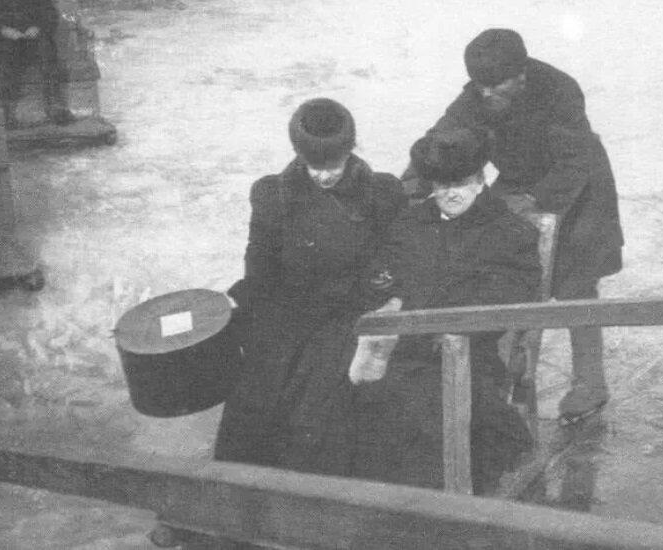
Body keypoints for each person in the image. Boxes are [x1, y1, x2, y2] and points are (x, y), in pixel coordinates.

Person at [405, 28, 623, 423]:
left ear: (520, 74)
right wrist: (410, 186)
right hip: (521, 177)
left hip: (579, 187)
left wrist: (536, 201)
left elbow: (575, 160)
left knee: (576, 286)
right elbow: (445, 136)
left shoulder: (558, 90)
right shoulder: (479, 95)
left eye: (497, 85)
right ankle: (510, 357)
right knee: (505, 260)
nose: (487, 94)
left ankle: (590, 383)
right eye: (480, 86)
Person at [213, 97, 406, 475]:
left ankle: (310, 495)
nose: (323, 176)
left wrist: (371, 297)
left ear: (349, 152)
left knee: (319, 397)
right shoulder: (273, 194)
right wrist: (248, 300)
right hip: (289, 307)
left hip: (352, 312)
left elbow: (391, 259)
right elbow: (261, 259)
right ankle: (237, 492)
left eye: (332, 165)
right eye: (314, 166)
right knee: (257, 384)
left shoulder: (381, 193)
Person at [348, 128, 541, 494]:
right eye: (441, 184)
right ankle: (378, 503)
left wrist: (438, 313)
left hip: (470, 352)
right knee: (343, 394)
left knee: (419, 407)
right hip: (404, 348)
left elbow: (508, 297)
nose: (450, 194)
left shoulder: (510, 233)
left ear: (481, 179)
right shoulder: (411, 223)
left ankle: (432, 509)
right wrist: (388, 295)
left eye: (461, 183)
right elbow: (382, 272)